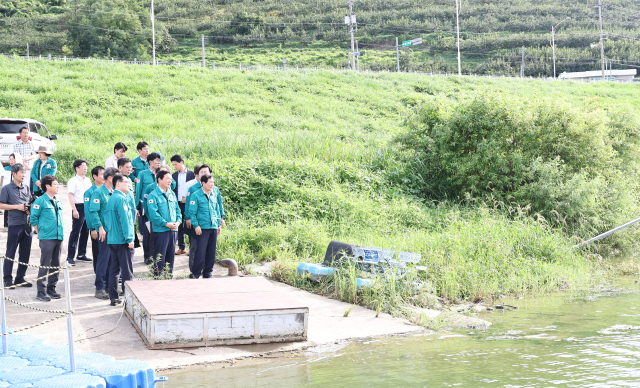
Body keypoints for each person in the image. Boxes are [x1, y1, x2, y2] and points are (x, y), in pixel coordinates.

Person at [30, 175, 64, 302]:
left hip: (58, 237)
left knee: (56, 264)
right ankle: (41, 291)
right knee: (45, 264)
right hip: (47, 238)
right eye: (55, 184)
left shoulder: (58, 200)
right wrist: (40, 233)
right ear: (48, 186)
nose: (58, 186)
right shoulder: (40, 201)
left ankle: (51, 288)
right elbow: (33, 219)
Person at [0, 164, 33, 288]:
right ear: (14, 174)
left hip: (27, 225)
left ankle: (20, 278)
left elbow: (29, 202)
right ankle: (7, 278)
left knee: (25, 253)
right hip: (14, 225)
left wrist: (29, 210)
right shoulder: (7, 188)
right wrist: (16, 207)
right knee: (11, 252)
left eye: (24, 173)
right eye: (21, 173)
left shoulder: (26, 188)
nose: (23, 175)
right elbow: (1, 205)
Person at [88, 167, 118, 300]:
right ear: (111, 178)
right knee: (103, 260)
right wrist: (99, 227)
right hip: (104, 232)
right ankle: (99, 287)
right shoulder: (98, 192)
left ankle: (107, 286)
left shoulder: (113, 192)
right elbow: (93, 211)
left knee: (112, 261)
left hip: (114, 233)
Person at [105, 174, 135, 306]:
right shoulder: (121, 199)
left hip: (112, 239)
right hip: (122, 240)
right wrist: (129, 238)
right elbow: (125, 221)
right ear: (118, 183)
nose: (129, 184)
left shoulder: (111, 198)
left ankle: (113, 297)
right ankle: (129, 300)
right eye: (126, 182)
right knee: (127, 271)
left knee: (114, 269)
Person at [188, 174, 223, 279]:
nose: (212, 184)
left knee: (211, 252)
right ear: (203, 183)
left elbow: (216, 210)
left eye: (213, 182)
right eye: (210, 182)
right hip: (202, 228)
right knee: (200, 251)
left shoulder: (213, 194)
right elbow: (192, 212)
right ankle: (195, 273)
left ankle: (208, 273)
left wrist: (218, 224)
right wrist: (196, 225)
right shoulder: (196, 195)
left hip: (213, 227)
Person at [147, 170, 181, 276]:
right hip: (161, 230)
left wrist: (178, 221)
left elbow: (177, 210)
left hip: (173, 229)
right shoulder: (153, 195)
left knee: (170, 256)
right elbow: (154, 214)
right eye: (167, 178)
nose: (170, 181)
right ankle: (158, 277)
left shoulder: (172, 194)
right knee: (160, 256)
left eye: (170, 179)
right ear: (159, 179)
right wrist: (166, 224)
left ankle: (168, 277)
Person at [135, 153, 161, 264]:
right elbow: (139, 189)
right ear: (150, 161)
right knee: (147, 232)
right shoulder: (142, 174)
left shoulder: (162, 173)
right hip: (146, 207)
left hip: (160, 207)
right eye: (156, 160)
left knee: (158, 232)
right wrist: (137, 207)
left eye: (159, 160)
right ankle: (147, 256)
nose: (158, 162)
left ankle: (157, 256)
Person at [66, 159, 92, 266]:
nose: (85, 168)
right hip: (79, 207)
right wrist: (74, 210)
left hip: (88, 207)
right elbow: (70, 195)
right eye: (83, 166)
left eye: (86, 166)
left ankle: (81, 254)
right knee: (76, 232)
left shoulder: (88, 180)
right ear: (77, 168)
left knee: (85, 231)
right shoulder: (73, 181)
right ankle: (70, 256)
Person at [170, 155, 195, 256]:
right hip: (178, 203)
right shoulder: (174, 176)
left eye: (176, 164)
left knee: (189, 225)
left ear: (181, 162)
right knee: (179, 225)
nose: (174, 166)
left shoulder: (191, 174)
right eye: (173, 165)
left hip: (188, 203)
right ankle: (181, 247)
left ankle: (191, 248)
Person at [84, 165, 104, 274]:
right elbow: (88, 212)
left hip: (106, 227)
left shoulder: (107, 190)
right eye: (101, 174)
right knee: (98, 252)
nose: (104, 176)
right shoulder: (89, 192)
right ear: (94, 176)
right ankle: (99, 275)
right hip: (96, 227)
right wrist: (92, 228)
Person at [117, 158, 137, 223]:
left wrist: (135, 209)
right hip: (123, 213)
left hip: (131, 212)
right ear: (120, 167)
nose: (129, 169)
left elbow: (131, 197)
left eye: (131, 167)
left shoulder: (129, 180)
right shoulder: (117, 181)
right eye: (127, 167)